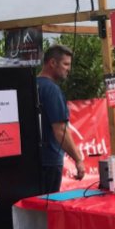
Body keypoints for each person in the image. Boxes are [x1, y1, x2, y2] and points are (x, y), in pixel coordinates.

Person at [37, 44, 85, 193]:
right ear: (52, 63)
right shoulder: (52, 90)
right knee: (47, 208)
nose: (68, 69)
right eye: (65, 64)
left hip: (32, 160)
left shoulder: (31, 84)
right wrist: (78, 159)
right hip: (49, 161)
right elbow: (61, 131)